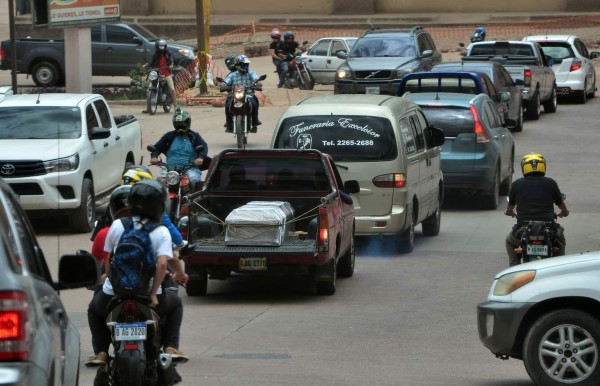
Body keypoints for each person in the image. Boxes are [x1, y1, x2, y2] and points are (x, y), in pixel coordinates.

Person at [86, 180, 189, 369]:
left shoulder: (117, 225)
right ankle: (171, 347)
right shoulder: (161, 231)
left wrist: (105, 277)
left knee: (94, 310)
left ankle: (101, 352)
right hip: (149, 295)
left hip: (115, 293)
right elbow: (164, 263)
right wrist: (157, 290)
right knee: (175, 305)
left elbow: (110, 258)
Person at [504, 153, 569, 266]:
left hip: (523, 231)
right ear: (543, 166)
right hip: (549, 231)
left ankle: (514, 270)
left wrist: (511, 213)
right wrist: (564, 213)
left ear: (524, 167)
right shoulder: (551, 183)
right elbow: (562, 207)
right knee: (560, 240)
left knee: (510, 242)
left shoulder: (517, 184)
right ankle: (559, 267)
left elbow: (509, 209)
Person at [150, 109, 209, 192]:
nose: (180, 127)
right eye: (178, 125)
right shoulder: (169, 136)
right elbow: (156, 147)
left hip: (190, 168)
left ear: (188, 123)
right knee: (159, 181)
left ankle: (193, 201)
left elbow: (204, 147)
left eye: (182, 124)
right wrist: (154, 156)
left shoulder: (194, 136)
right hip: (170, 169)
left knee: (194, 180)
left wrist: (201, 158)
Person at [222, 55, 263, 133]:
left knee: (254, 103)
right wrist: (224, 86)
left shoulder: (251, 73)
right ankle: (228, 123)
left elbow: (256, 79)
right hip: (235, 95)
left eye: (246, 64)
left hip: (248, 94)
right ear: (237, 65)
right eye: (243, 64)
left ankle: (255, 122)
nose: (245, 66)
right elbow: (226, 82)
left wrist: (258, 83)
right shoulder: (232, 74)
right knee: (227, 104)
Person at [144, 38, 178, 112]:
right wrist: (146, 65)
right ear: (157, 47)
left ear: (165, 46)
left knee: (172, 89)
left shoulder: (168, 53)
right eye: (160, 46)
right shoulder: (155, 54)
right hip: (157, 73)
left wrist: (171, 65)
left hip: (166, 73)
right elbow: (151, 62)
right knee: (148, 89)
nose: (161, 48)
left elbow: (171, 60)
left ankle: (175, 106)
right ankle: (148, 108)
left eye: (163, 46)